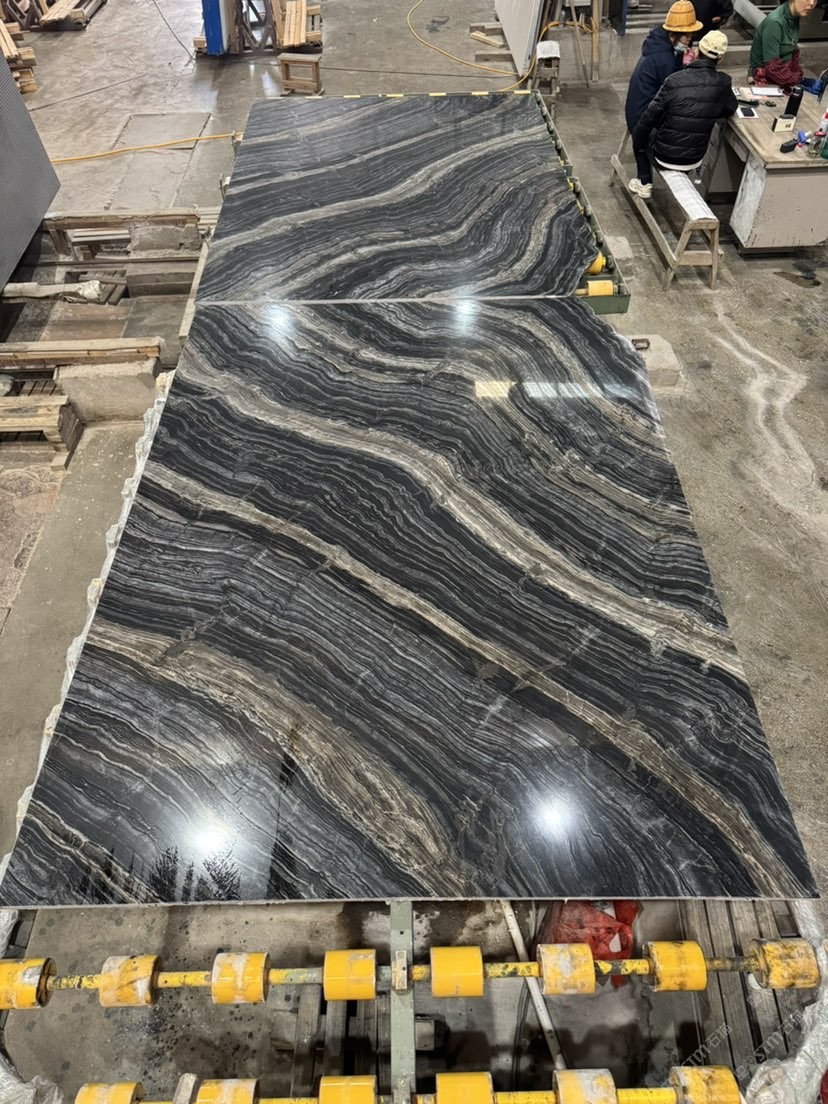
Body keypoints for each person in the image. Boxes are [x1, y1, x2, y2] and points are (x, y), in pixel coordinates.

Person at [629, 30, 737, 199]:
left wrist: (637, 140)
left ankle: (644, 182)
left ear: (696, 52)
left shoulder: (674, 80)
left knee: (640, 135)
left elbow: (649, 117)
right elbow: (730, 108)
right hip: (694, 159)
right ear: (720, 59)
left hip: (664, 156)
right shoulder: (724, 82)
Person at [624, 0, 703, 134]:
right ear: (672, 36)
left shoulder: (660, 46)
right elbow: (674, 92)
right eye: (686, 38)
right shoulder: (663, 59)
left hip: (639, 112)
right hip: (642, 122)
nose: (688, 42)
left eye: (690, 37)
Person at [749, 0, 817, 90]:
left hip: (783, 72)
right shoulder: (775, 23)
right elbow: (773, 68)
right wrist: (799, 80)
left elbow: (793, 49)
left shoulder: (794, 16)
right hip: (764, 77)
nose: (812, 3)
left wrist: (798, 75)